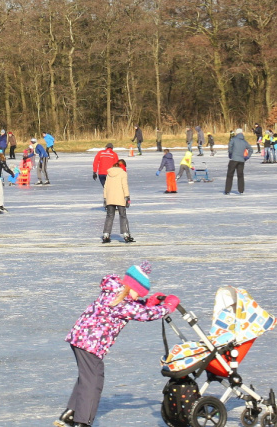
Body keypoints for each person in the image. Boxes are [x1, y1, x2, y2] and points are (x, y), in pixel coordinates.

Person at [54, 262, 177, 427]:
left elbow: (133, 308)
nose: (137, 298)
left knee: (87, 377)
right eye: (138, 294)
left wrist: (147, 302)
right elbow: (143, 314)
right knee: (94, 380)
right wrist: (167, 308)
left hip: (80, 339)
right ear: (131, 287)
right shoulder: (122, 302)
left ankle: (70, 413)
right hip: (89, 343)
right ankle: (82, 422)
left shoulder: (113, 292)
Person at [102, 160, 133, 243]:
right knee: (123, 216)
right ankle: (126, 234)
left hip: (110, 198)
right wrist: (127, 197)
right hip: (120, 198)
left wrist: (105, 198)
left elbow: (105, 186)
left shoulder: (109, 173)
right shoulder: (123, 173)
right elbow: (125, 186)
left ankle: (106, 234)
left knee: (109, 216)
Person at [224, 128, 252, 195]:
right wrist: (247, 157)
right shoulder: (244, 141)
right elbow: (251, 149)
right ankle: (241, 190)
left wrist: (230, 153)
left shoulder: (233, 139)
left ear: (236, 133)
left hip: (234, 159)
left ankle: (227, 190)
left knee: (230, 175)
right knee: (240, 175)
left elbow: (230, 146)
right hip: (241, 161)